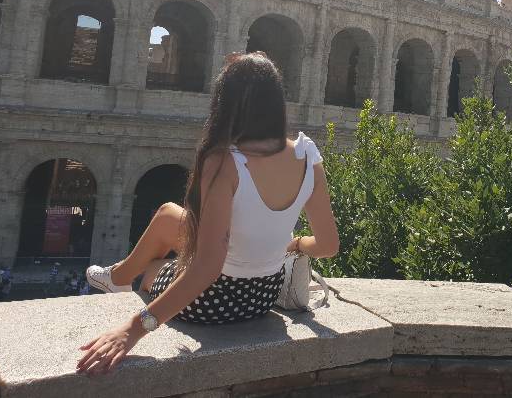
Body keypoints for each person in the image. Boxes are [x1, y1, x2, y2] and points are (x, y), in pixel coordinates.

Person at [79, 52, 339, 376]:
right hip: (263, 295)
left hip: (214, 303)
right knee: (169, 215)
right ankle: (116, 276)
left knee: (158, 266)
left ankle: (119, 279)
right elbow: (328, 245)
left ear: (225, 103)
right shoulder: (308, 154)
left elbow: (207, 269)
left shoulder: (225, 162)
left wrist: (132, 330)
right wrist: (297, 243)